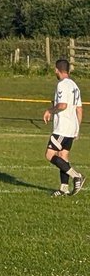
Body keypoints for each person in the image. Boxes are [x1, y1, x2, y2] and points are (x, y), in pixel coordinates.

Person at [44, 58, 84, 197]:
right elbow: (79, 109)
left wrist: (49, 110)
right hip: (72, 127)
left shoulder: (62, 84)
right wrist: (77, 128)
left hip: (62, 128)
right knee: (63, 156)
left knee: (49, 155)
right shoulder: (74, 86)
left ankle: (76, 176)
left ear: (57, 70)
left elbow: (62, 105)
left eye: (55, 69)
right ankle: (64, 188)